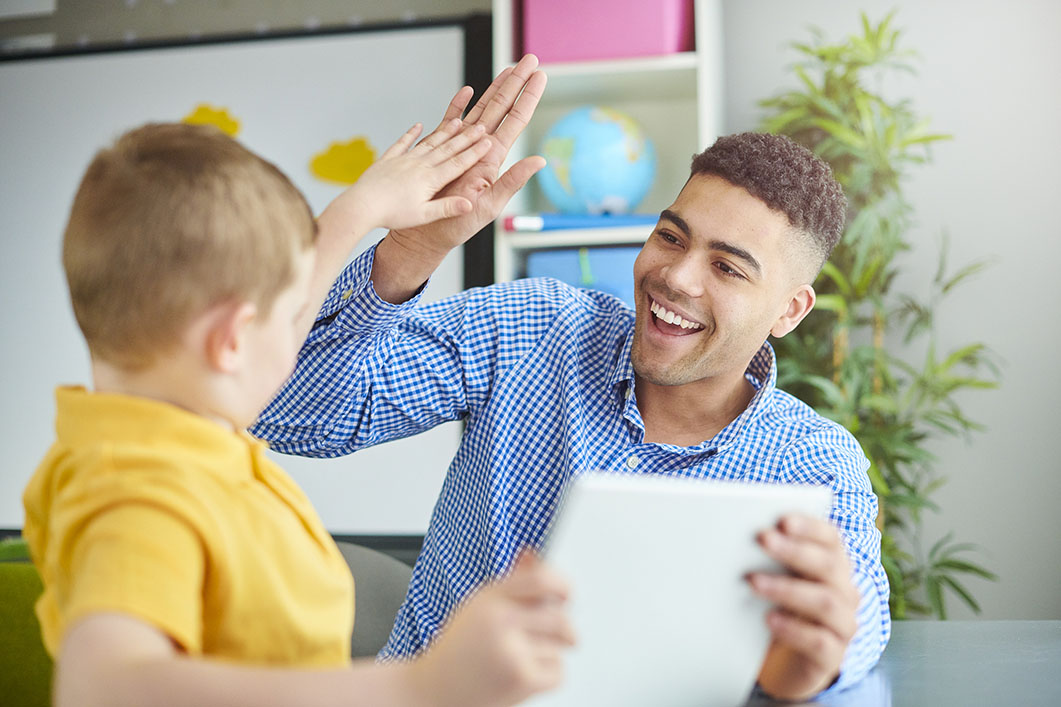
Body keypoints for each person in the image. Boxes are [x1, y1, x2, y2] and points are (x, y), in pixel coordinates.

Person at [255, 60, 890, 700]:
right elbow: (290, 412)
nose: (677, 277)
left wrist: (816, 662)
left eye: (727, 268)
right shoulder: (536, 330)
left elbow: (858, 623)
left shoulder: (813, 462)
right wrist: (411, 251)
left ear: (789, 310)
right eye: (672, 236)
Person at [22, 108, 577, 707]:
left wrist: (360, 210)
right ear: (231, 341)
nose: (302, 334)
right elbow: (102, 687)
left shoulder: (176, 427)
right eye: (296, 318)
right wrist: (421, 685)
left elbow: (267, 302)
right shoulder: (139, 486)